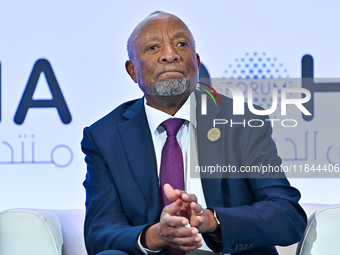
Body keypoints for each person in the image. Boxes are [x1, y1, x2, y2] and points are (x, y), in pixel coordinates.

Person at [81, 11, 307, 255]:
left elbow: (287, 215)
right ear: (132, 70)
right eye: (153, 47)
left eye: (181, 44)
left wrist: (212, 220)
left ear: (196, 63)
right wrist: (154, 235)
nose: (170, 55)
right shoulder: (104, 136)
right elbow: (100, 231)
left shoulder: (242, 121)